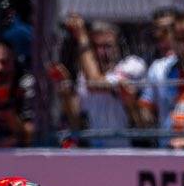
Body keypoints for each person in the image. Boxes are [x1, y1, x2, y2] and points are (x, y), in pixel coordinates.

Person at [58, 14, 146, 147]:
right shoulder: (83, 77)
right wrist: (67, 92)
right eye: (96, 46)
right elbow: (76, 122)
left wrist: (82, 36)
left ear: (118, 46)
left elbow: (95, 84)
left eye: (107, 46)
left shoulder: (132, 65)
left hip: (124, 150)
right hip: (94, 151)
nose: (101, 52)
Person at [134, 10, 184, 148]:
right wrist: (131, 102)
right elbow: (146, 115)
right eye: (178, 40)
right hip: (168, 150)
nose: (183, 46)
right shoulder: (159, 68)